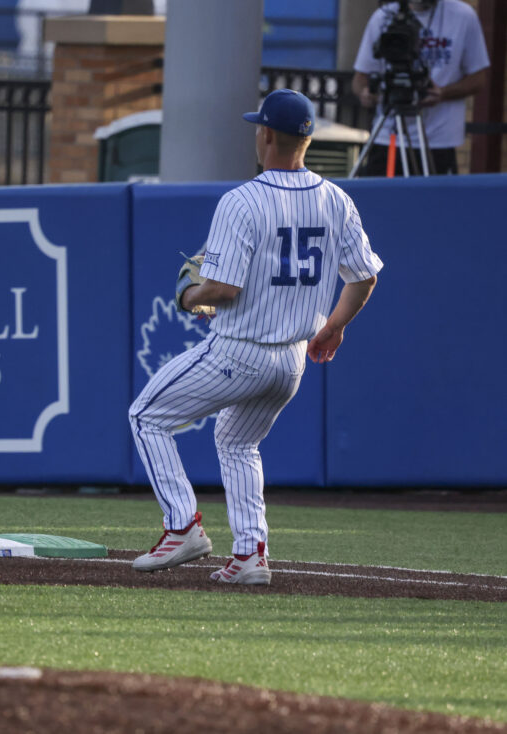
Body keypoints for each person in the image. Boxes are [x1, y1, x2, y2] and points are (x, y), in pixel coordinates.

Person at [129, 89, 383, 585]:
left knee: (146, 416)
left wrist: (188, 295)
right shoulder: (337, 199)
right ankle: (249, 555)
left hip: (238, 352)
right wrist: (334, 327)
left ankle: (182, 527)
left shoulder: (241, 200)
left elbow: (222, 289)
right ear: (306, 139)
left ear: (265, 134)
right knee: (237, 442)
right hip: (290, 362)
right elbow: (365, 277)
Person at [352, 0, 490, 176]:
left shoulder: (463, 16)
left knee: (433, 194)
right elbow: (360, 78)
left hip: (439, 141)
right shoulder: (383, 17)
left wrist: (443, 93)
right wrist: (366, 93)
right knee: (381, 192)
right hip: (389, 137)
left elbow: (479, 79)